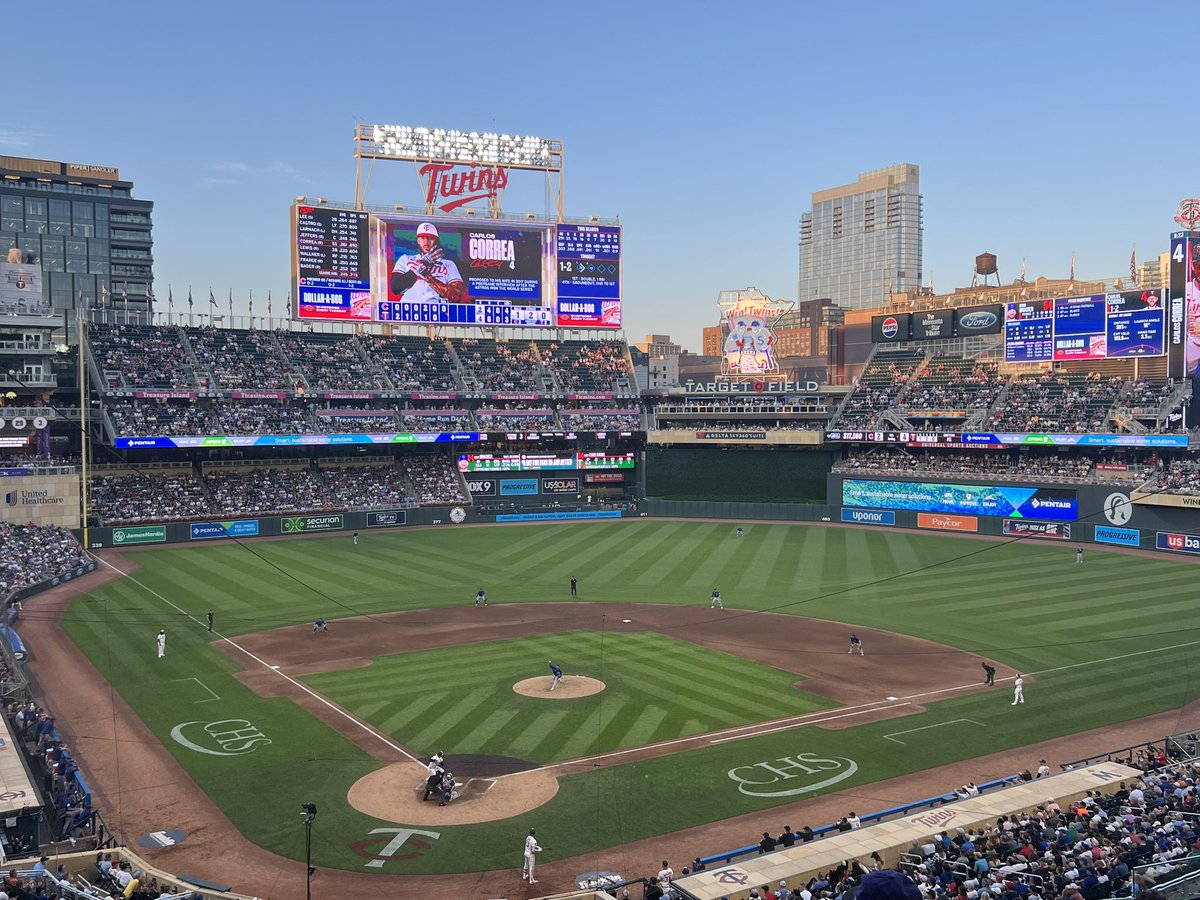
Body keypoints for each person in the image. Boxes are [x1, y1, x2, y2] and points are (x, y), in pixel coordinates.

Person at [391, 223, 465, 304]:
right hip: (409, 308)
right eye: (423, 238)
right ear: (418, 240)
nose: (426, 242)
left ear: (436, 241)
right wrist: (418, 267)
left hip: (435, 309)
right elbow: (395, 289)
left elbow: (456, 296)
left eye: (431, 238)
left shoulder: (448, 264)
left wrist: (427, 276)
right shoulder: (406, 259)